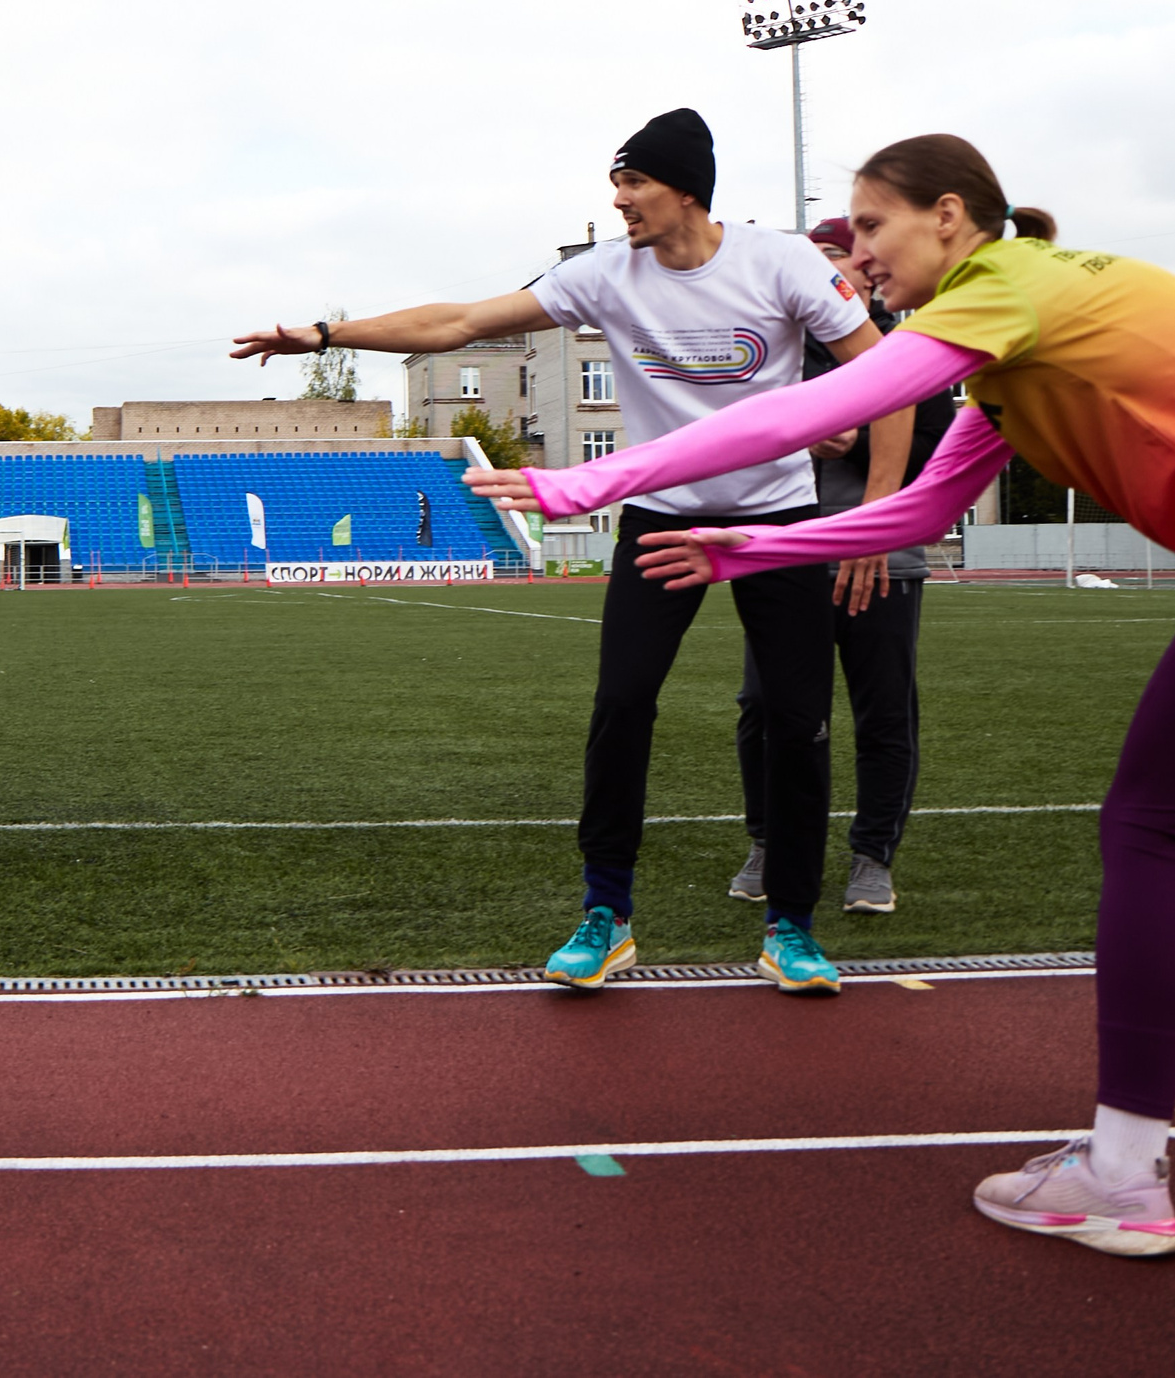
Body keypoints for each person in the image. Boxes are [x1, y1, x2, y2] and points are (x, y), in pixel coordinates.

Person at [469, 133, 1175, 1257]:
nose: (856, 255)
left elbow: (801, 414)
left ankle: (1123, 1176)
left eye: (872, 226)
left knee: (1152, 832)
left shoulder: (1004, 289)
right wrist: (747, 550)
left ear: (949, 216)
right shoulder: (1017, 340)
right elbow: (916, 513)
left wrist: (588, 481)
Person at [233, 108, 893, 993]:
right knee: (622, 702)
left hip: (775, 522)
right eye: (615, 184)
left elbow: (888, 377)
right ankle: (606, 913)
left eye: (634, 182)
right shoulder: (605, 273)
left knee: (798, 720)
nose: (619, 200)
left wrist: (877, 514)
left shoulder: (782, 263)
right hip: (661, 517)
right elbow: (460, 321)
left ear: (686, 189)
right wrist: (324, 335)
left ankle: (793, 927)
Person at [730, 218, 955, 915]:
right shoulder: (775, 355)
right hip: (786, 562)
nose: (823, 271)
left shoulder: (912, 354)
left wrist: (858, 443)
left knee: (883, 714)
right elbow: (735, 447)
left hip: (885, 563)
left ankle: (873, 856)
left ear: (866, 268)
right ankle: (769, 843)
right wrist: (800, 442)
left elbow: (938, 462)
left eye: (836, 258)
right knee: (763, 708)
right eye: (813, 259)